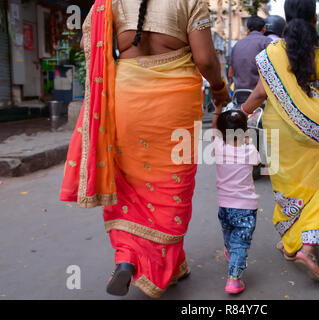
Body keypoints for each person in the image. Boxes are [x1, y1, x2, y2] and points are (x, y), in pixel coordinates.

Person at [60, 0, 230, 298]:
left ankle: (128, 258)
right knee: (171, 187)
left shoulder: (111, 2)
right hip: (175, 102)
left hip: (125, 96)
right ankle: (153, 265)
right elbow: (204, 59)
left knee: (131, 187)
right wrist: (219, 89)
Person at [241, 0, 319, 284]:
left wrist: (237, 116)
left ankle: (291, 244)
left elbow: (257, 96)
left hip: (281, 134)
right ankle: (307, 247)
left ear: (286, 19)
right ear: (315, 18)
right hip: (318, 131)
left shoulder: (272, 54)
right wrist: (316, 91)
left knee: (288, 188)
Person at [214, 110, 261, 294]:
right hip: (245, 208)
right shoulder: (249, 150)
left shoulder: (218, 147)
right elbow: (257, 162)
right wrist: (248, 140)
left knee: (228, 232)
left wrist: (218, 108)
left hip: (224, 206)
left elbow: (217, 132)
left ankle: (229, 249)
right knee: (241, 243)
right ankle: (234, 279)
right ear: (245, 131)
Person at [228, 15, 272, 103]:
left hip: (239, 97)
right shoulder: (267, 42)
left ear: (247, 30)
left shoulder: (237, 45)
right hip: (261, 99)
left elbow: (230, 74)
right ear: (264, 29)